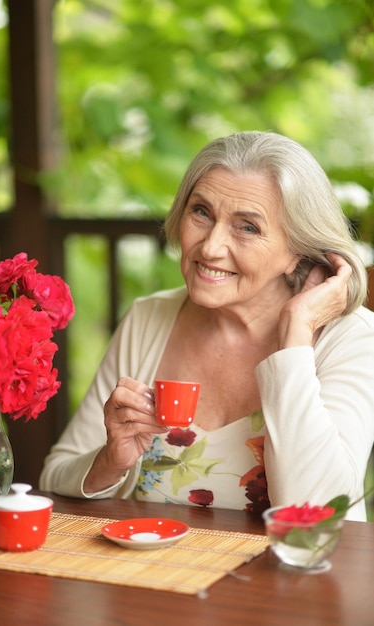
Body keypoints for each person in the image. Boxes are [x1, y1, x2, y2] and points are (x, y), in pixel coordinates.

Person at [39, 130, 374, 521]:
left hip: (288, 583)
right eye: (201, 212)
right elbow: (55, 477)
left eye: (247, 227)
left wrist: (296, 333)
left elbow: (315, 516)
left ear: (296, 251)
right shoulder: (149, 318)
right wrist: (111, 461)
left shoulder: (352, 337)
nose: (211, 247)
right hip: (155, 577)